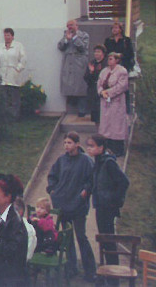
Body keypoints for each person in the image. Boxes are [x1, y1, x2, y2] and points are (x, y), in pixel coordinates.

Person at [47, 131, 95, 280]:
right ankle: (71, 267)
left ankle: (90, 271)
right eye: (65, 143)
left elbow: (91, 179)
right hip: (63, 204)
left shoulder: (86, 161)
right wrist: (52, 190)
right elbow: (52, 176)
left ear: (77, 144)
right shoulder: (61, 160)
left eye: (69, 143)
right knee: (68, 237)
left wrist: (85, 192)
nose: (67, 146)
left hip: (79, 206)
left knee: (81, 237)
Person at [85, 133, 130, 281]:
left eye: (92, 146)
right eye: (88, 146)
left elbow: (123, 182)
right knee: (103, 241)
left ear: (101, 147)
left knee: (109, 242)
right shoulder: (98, 162)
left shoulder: (108, 162)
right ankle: (106, 273)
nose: (89, 149)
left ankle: (113, 278)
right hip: (100, 207)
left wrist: (113, 201)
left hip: (107, 208)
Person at [97, 52, 129, 156]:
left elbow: (122, 86)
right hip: (105, 101)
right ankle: (106, 147)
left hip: (117, 101)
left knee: (116, 124)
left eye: (111, 59)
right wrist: (101, 92)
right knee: (106, 124)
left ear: (117, 60)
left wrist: (109, 92)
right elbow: (99, 83)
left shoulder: (122, 71)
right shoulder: (104, 71)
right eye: (108, 58)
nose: (109, 60)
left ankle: (118, 149)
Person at [0, 28, 26, 118]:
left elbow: (23, 59)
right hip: (2, 74)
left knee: (14, 96)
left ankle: (15, 116)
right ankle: (5, 116)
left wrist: (18, 69)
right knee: (3, 96)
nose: (7, 37)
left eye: (8, 35)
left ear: (12, 36)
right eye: (5, 35)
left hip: (13, 74)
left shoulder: (18, 46)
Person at [58, 19, 91, 117]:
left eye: (71, 25)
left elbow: (83, 47)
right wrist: (66, 40)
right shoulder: (66, 35)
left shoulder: (84, 35)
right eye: (68, 25)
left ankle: (82, 110)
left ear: (77, 26)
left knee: (81, 86)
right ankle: (72, 104)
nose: (69, 27)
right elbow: (60, 47)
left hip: (79, 62)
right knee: (69, 84)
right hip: (68, 62)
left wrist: (74, 38)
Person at [84, 45, 106, 124]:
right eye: (95, 52)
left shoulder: (106, 63)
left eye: (98, 52)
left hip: (104, 90)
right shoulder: (91, 63)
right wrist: (91, 72)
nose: (96, 53)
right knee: (95, 113)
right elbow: (86, 78)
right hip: (93, 90)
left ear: (103, 53)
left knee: (103, 112)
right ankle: (97, 131)